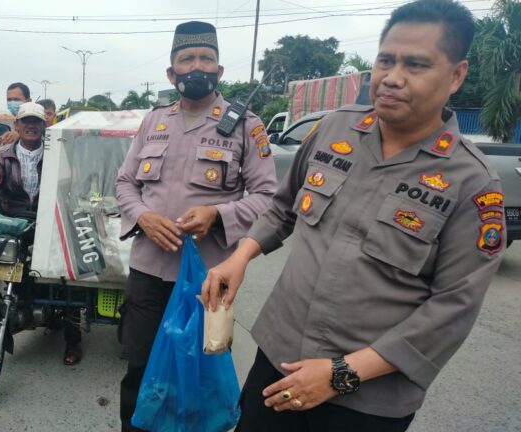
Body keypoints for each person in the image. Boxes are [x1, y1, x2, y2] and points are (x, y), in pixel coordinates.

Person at [201, 1, 506, 430]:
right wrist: (241, 256)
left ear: (456, 75)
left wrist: (342, 374)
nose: (393, 78)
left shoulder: (472, 183)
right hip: (280, 360)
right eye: (386, 60)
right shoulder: (333, 129)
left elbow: (452, 308)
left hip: (367, 399)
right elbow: (284, 205)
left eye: (416, 65)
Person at [115, 21, 278, 431]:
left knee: (200, 378)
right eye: (187, 59)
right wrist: (143, 217)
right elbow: (124, 183)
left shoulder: (246, 126)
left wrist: (219, 215)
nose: (197, 66)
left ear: (220, 71)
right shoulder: (153, 121)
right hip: (149, 274)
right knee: (140, 372)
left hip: (208, 279)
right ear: (172, 74)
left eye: (206, 58)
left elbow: (268, 197)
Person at [0, 101, 86, 365]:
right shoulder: (1, 154)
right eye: (25, 121)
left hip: (49, 221)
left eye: (36, 122)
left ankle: (73, 339)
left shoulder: (59, 153)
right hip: (13, 222)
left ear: (44, 125)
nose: (31, 126)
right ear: (17, 125)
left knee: (70, 278)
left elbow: (74, 185)